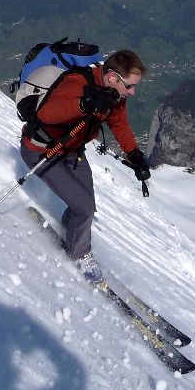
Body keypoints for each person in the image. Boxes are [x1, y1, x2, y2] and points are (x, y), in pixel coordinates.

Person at [20, 49, 151, 283]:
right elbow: (47, 114)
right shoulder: (77, 83)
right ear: (112, 77)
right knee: (85, 207)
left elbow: (119, 123)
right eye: (129, 86)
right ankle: (79, 254)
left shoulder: (113, 96)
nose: (132, 91)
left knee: (85, 202)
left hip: (72, 152)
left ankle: (69, 231)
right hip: (42, 151)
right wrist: (85, 104)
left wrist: (135, 155)